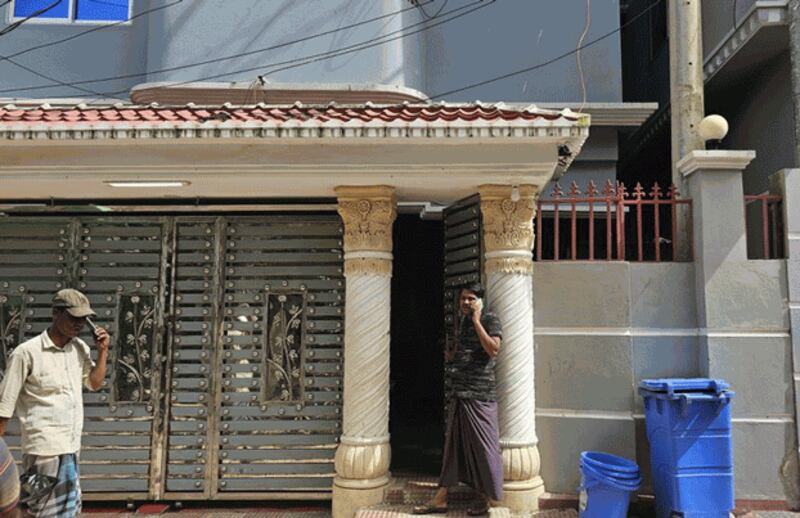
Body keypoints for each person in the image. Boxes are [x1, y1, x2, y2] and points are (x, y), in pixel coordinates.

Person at [0, 289, 109, 518]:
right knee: (40, 511)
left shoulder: (79, 348)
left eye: (82, 319)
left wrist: (103, 352)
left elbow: (94, 383)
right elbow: (5, 403)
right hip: (43, 449)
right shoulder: (26, 353)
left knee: (66, 512)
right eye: (73, 318)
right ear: (56, 313)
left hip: (70, 446)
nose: (78, 324)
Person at [414, 283, 503, 516]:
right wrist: (451, 355)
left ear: (480, 301)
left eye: (471, 299)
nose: (465, 303)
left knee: (484, 449)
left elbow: (494, 349)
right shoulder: (462, 323)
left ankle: (486, 499)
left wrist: (476, 321)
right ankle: (441, 498)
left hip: (480, 396)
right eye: (463, 299)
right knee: (453, 448)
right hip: (460, 394)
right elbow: (464, 353)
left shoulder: (490, 320)